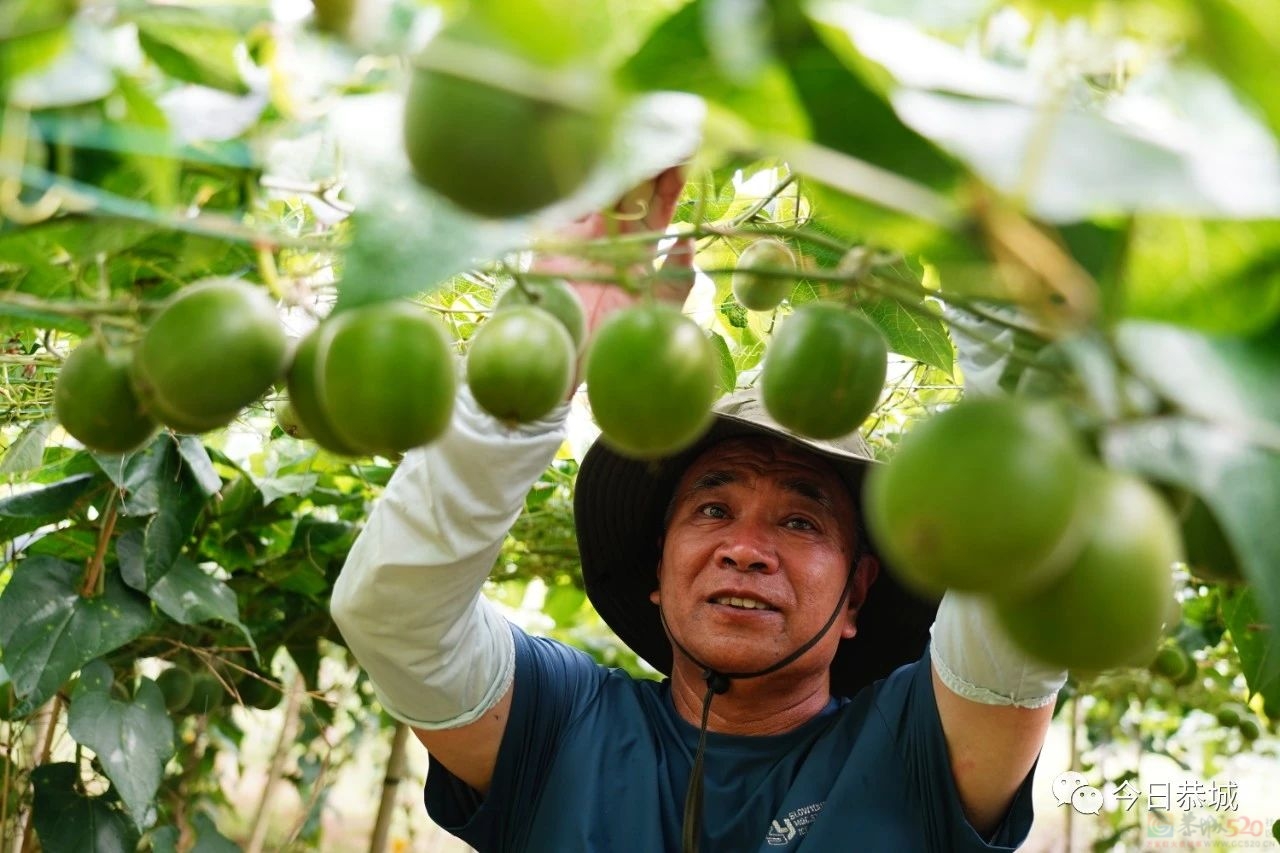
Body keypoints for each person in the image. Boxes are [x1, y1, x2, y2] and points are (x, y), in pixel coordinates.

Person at [330, 168, 1067, 852]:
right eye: (713, 508)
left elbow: (1029, 545)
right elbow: (395, 618)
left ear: (858, 593)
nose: (745, 547)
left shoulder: (920, 745)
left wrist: (975, 210)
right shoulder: (561, 722)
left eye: (801, 521)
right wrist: (535, 361)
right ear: (657, 565)